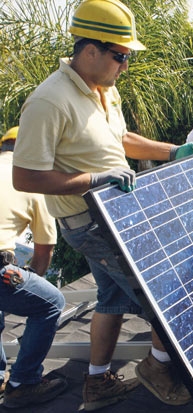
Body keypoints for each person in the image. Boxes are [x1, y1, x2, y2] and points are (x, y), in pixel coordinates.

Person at [11, 1, 193, 410]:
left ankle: (97, 384)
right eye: (120, 56)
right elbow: (25, 176)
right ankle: (158, 367)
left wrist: (172, 151)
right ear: (90, 50)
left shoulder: (103, 90)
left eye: (127, 57)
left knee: (112, 298)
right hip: (90, 222)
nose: (125, 66)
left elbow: (121, 138)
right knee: (165, 291)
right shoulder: (49, 101)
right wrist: (94, 181)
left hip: (118, 214)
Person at [0, 126, 67, 409]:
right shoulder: (31, 183)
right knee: (52, 302)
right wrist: (27, 281)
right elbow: (43, 254)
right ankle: (23, 383)